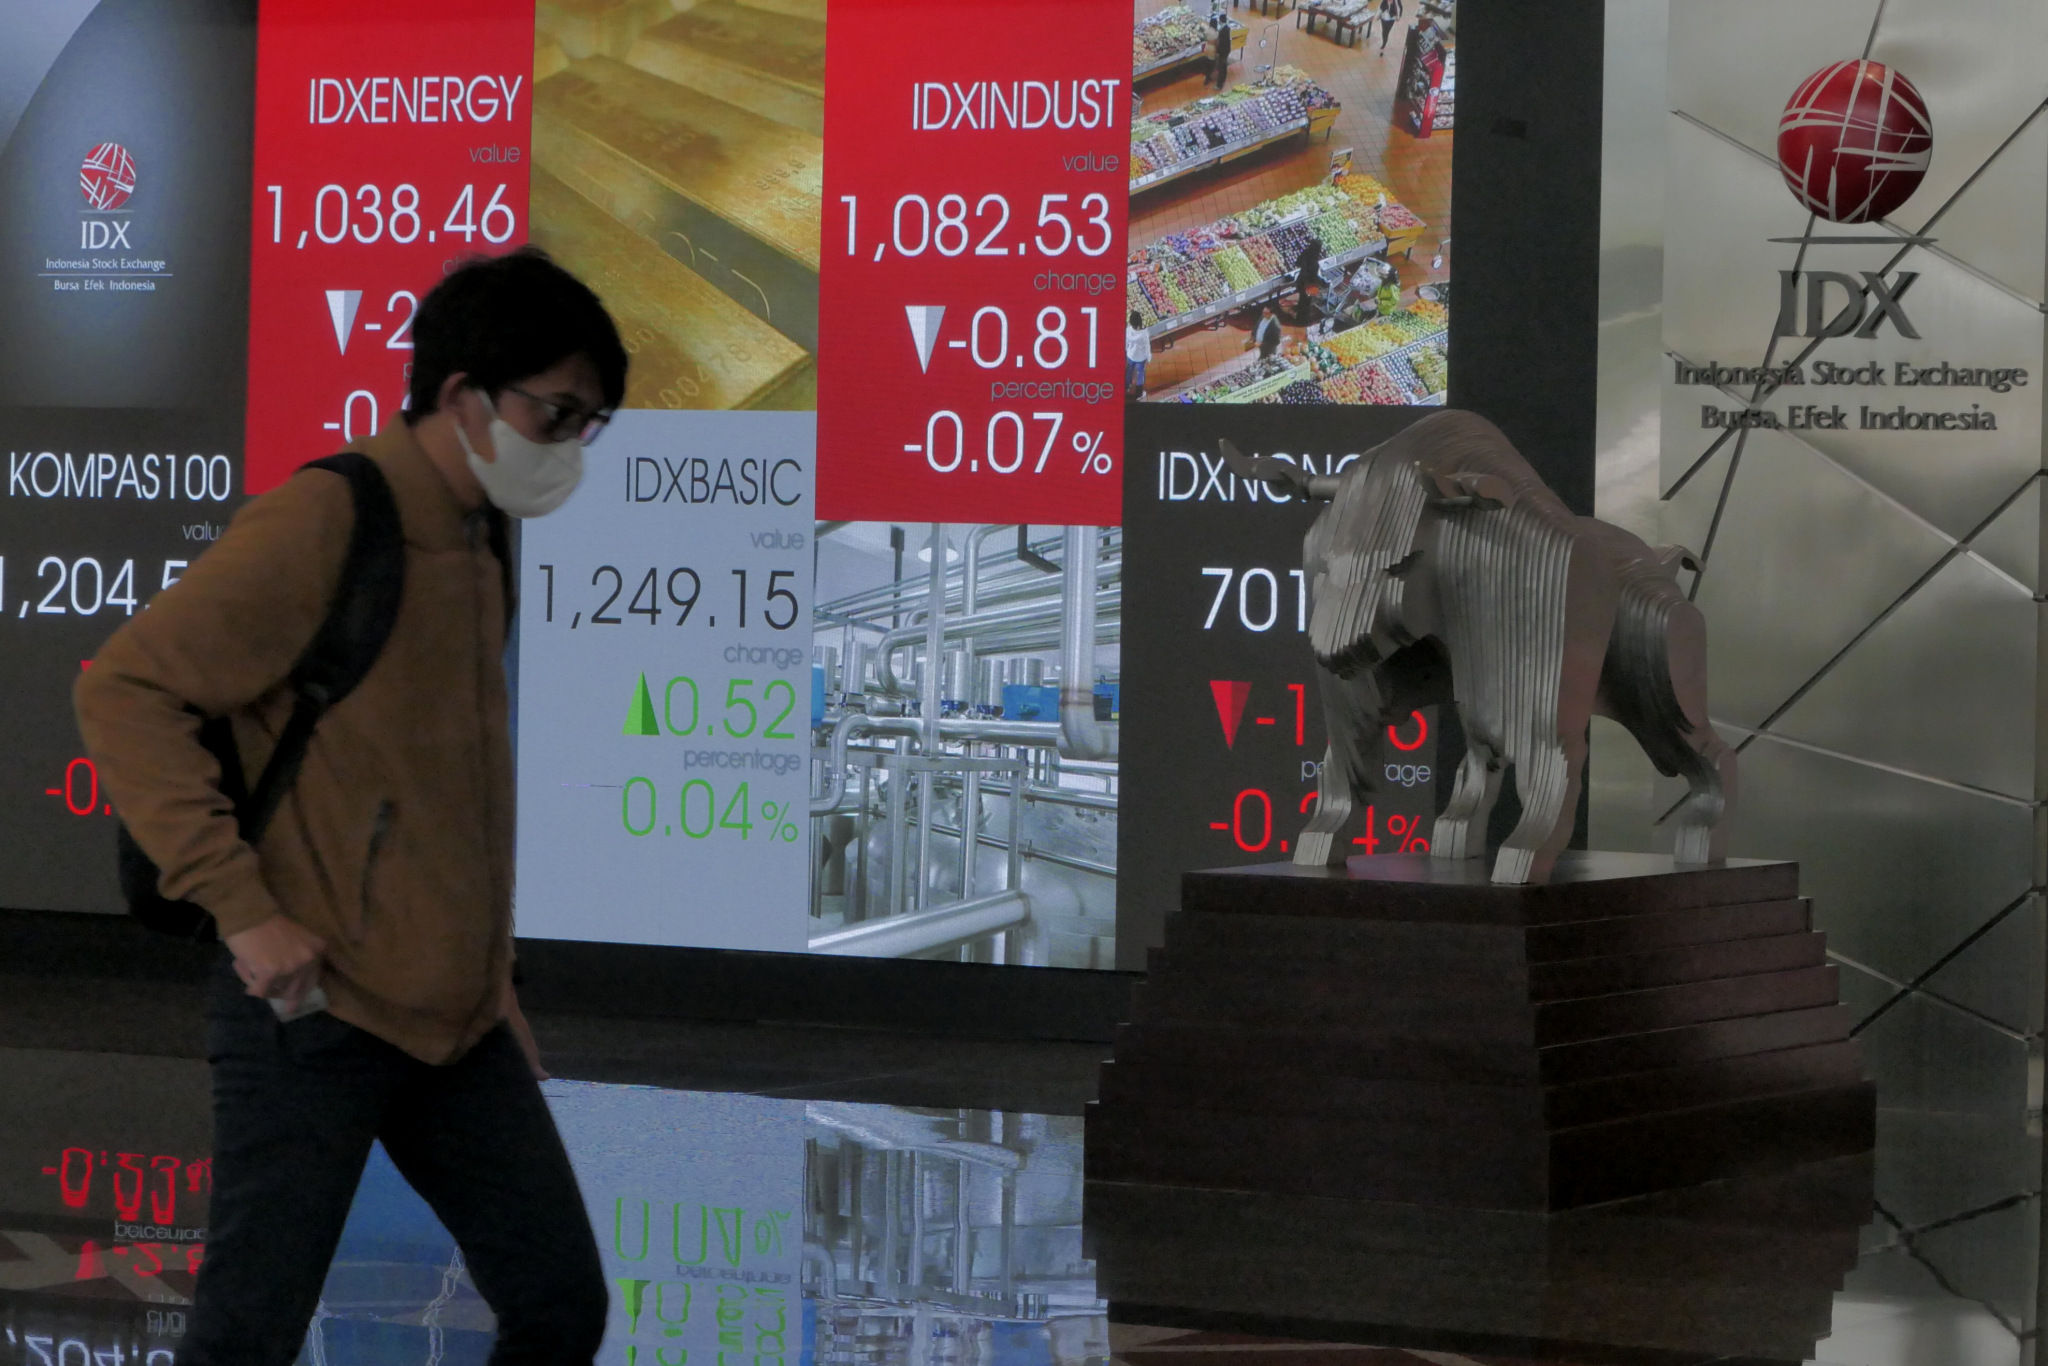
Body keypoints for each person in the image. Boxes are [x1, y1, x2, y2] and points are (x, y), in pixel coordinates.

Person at [75, 248, 628, 1365]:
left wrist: (491, 976)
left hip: (453, 1024)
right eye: (556, 412)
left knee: (560, 1299)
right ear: (466, 396)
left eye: (590, 423)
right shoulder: (329, 519)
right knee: (246, 1335)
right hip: (310, 1014)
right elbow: (125, 686)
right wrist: (243, 911)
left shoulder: (480, 542)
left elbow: (444, 793)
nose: (570, 446)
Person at [1292, 233, 1324, 316]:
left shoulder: (1306, 253)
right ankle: (1303, 314)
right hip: (1309, 282)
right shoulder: (1315, 260)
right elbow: (1314, 273)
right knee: (1307, 298)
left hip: (1302, 279)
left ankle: (1300, 310)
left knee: (1302, 296)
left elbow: (1297, 263)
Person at [1125, 308, 1151, 398]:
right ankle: (1139, 393)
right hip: (1140, 358)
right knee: (1140, 374)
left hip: (1130, 355)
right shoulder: (1144, 334)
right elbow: (1147, 347)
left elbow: (1126, 342)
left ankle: (1126, 386)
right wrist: (1149, 357)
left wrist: (1126, 350)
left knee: (1129, 371)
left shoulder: (1128, 331)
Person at [1209, 13, 1232, 89]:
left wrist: (1218, 51)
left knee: (1222, 67)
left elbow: (1222, 42)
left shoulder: (1223, 30)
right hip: (1226, 50)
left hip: (1223, 51)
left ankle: (1219, 85)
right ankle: (1222, 79)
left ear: (1220, 20)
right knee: (1223, 66)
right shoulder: (1226, 28)